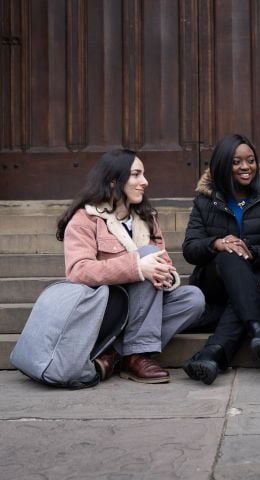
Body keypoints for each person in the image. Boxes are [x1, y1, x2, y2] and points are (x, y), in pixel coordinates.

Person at [56, 149, 205, 384]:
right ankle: (137, 355)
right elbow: (78, 271)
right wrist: (137, 266)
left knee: (193, 298)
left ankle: (116, 354)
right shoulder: (85, 219)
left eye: (143, 175)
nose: (144, 182)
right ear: (114, 181)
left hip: (143, 305)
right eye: (136, 175)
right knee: (145, 255)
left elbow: (164, 261)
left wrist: (165, 275)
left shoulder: (147, 217)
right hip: (106, 308)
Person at [182, 133, 260, 385]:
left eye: (251, 160)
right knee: (229, 254)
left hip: (256, 278)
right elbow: (190, 248)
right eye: (236, 162)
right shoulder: (205, 200)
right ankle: (258, 328)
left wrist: (252, 251)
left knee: (244, 270)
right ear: (223, 164)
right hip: (215, 283)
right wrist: (216, 243)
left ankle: (212, 355)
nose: (246, 167)